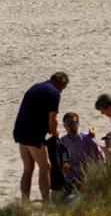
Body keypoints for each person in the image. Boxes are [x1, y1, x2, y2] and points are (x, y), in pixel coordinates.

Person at [13, 72, 70, 204]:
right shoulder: (54, 93)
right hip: (34, 135)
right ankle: (46, 202)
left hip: (21, 132)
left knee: (28, 169)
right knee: (45, 168)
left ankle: (25, 202)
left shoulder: (36, 87)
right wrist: (55, 132)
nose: (62, 90)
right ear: (61, 83)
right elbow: (53, 118)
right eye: (64, 87)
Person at [59, 112, 103, 189]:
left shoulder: (88, 139)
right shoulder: (62, 141)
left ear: (78, 123)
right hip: (70, 177)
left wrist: (92, 168)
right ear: (64, 126)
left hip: (87, 176)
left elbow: (100, 157)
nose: (70, 126)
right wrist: (63, 165)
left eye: (73, 123)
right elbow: (60, 159)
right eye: (67, 124)